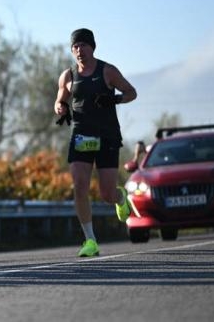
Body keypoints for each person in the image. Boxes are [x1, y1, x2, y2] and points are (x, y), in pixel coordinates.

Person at [54, 27, 137, 257]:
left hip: (107, 135)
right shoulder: (68, 75)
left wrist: (115, 98)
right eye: (75, 47)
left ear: (92, 47)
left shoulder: (107, 71)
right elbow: (59, 100)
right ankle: (90, 240)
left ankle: (120, 197)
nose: (79, 50)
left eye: (83, 45)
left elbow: (132, 92)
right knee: (79, 186)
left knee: (106, 195)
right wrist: (60, 108)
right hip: (81, 135)